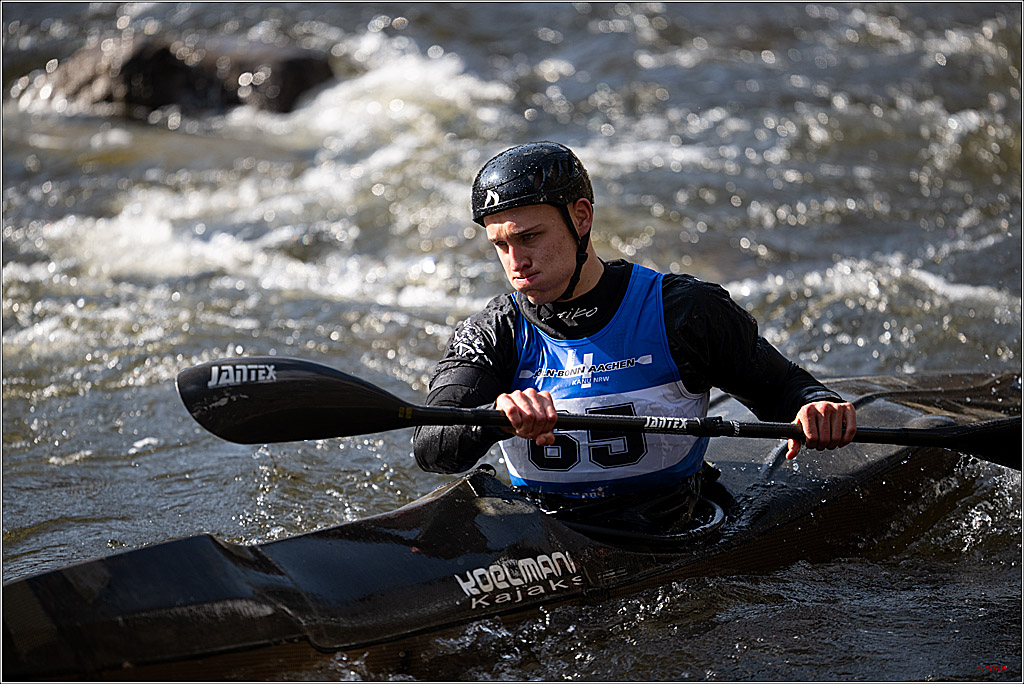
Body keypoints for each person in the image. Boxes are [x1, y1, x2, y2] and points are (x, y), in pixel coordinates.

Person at [413, 141, 856, 534]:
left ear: (580, 217)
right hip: (551, 534)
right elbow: (431, 445)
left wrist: (817, 406)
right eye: (501, 245)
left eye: (529, 237)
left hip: (672, 523)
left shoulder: (684, 310)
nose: (516, 261)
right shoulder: (492, 331)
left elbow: (782, 388)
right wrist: (493, 416)